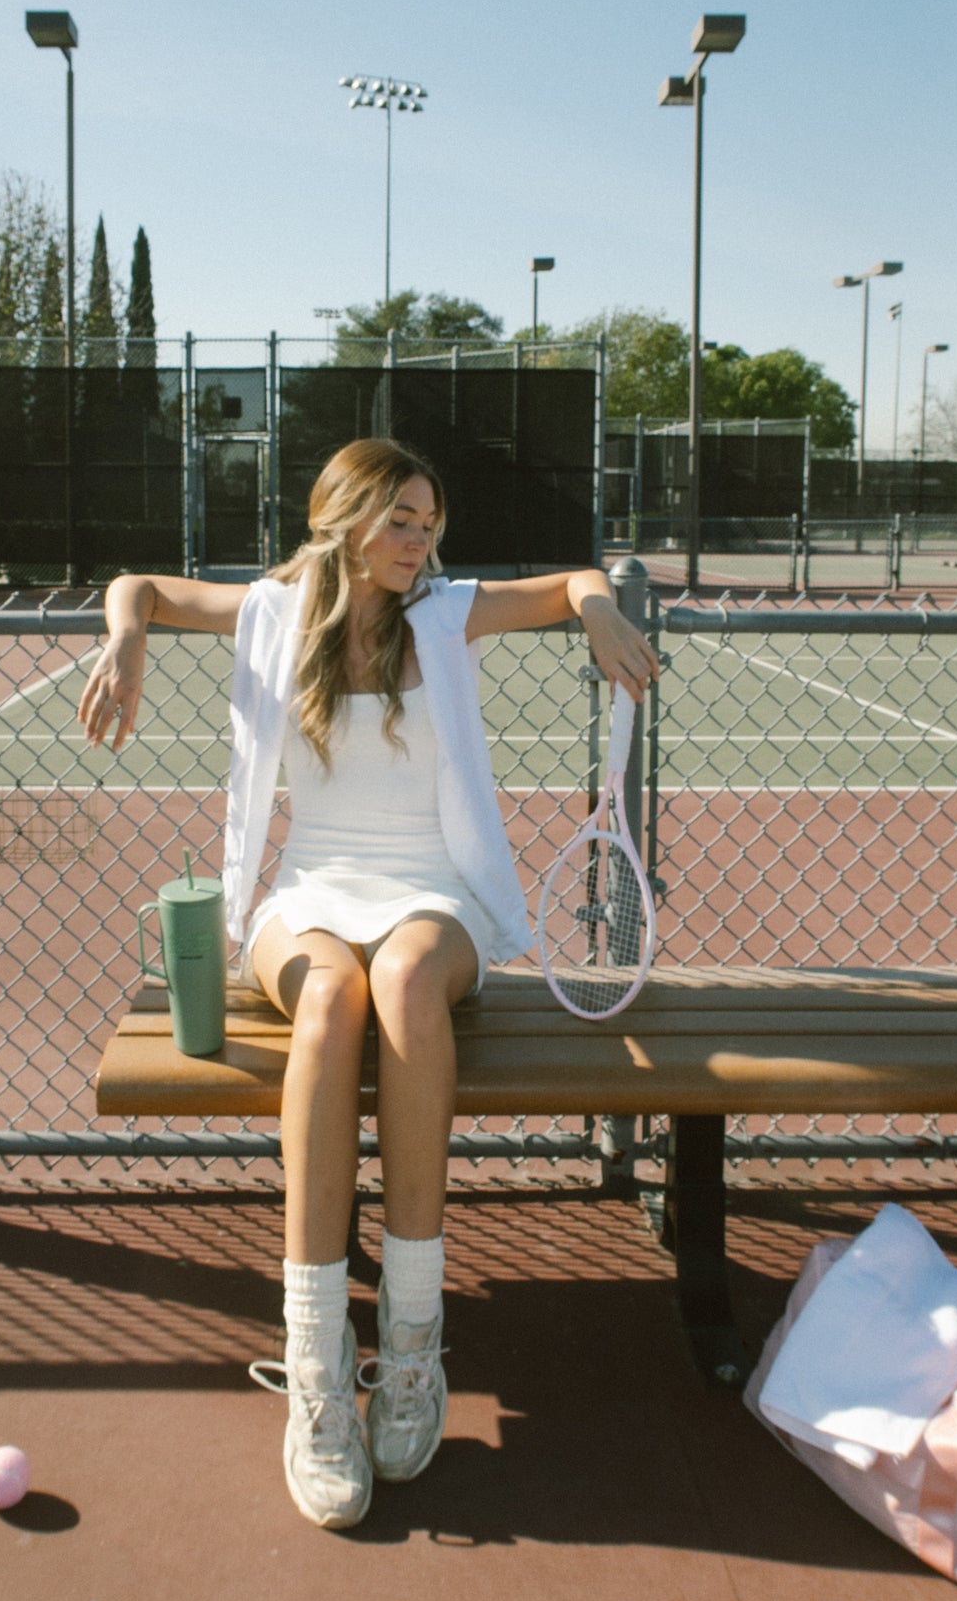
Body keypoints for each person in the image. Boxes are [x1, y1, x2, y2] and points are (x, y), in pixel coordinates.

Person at [79, 438, 659, 1529]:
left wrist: (595, 610)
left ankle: (408, 1339)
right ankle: (313, 1359)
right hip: (302, 892)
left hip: (434, 895)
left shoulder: (443, 612)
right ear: (342, 516)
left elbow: (576, 573)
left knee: (395, 976)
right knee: (334, 994)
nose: (420, 541)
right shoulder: (270, 609)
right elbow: (139, 586)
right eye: (400, 519)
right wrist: (127, 638)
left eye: (429, 521)